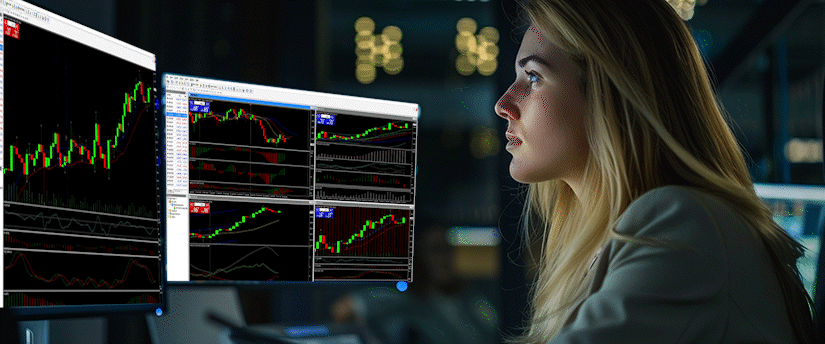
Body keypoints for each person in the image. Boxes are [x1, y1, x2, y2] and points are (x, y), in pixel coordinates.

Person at [494, 0, 819, 343]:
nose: (503, 105)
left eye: (533, 77)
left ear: (612, 94)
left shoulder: (681, 222)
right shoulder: (621, 235)